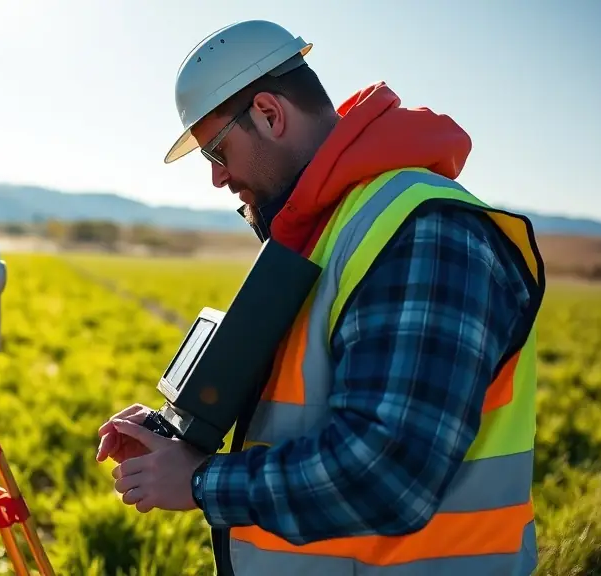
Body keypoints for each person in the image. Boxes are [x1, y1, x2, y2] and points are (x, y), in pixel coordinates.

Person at [96, 19, 545, 576]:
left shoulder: (425, 230)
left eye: (217, 149)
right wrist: (175, 435)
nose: (216, 178)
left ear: (269, 114)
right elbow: (303, 413)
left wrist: (198, 481)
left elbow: (388, 473)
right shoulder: (332, 228)